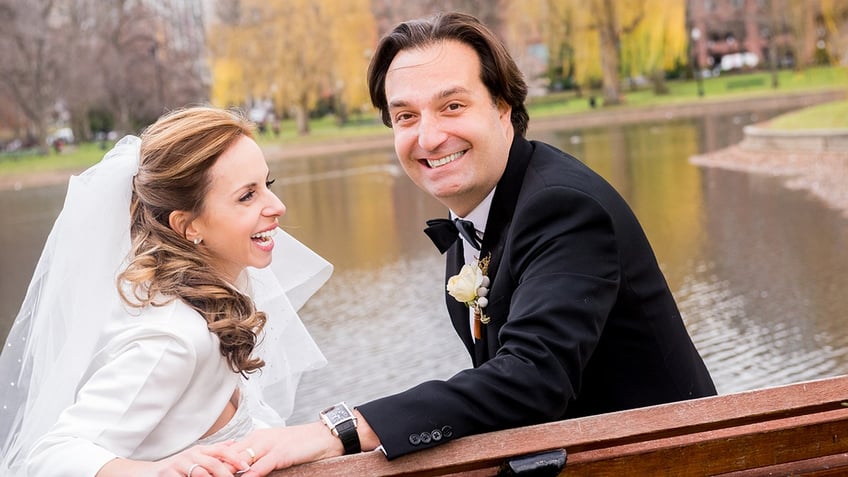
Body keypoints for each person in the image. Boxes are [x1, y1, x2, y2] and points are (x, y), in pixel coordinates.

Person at [233, 11, 718, 475]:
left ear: (503, 108)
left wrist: (342, 429)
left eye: (452, 106)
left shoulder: (564, 208)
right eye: (405, 117)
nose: (428, 137)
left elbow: (533, 377)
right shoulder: (481, 209)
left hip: (675, 462)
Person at [0, 106, 332, 476]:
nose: (278, 207)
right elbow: (50, 457)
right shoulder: (172, 339)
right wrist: (156, 472)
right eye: (246, 197)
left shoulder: (213, 297)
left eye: (267, 186)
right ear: (188, 225)